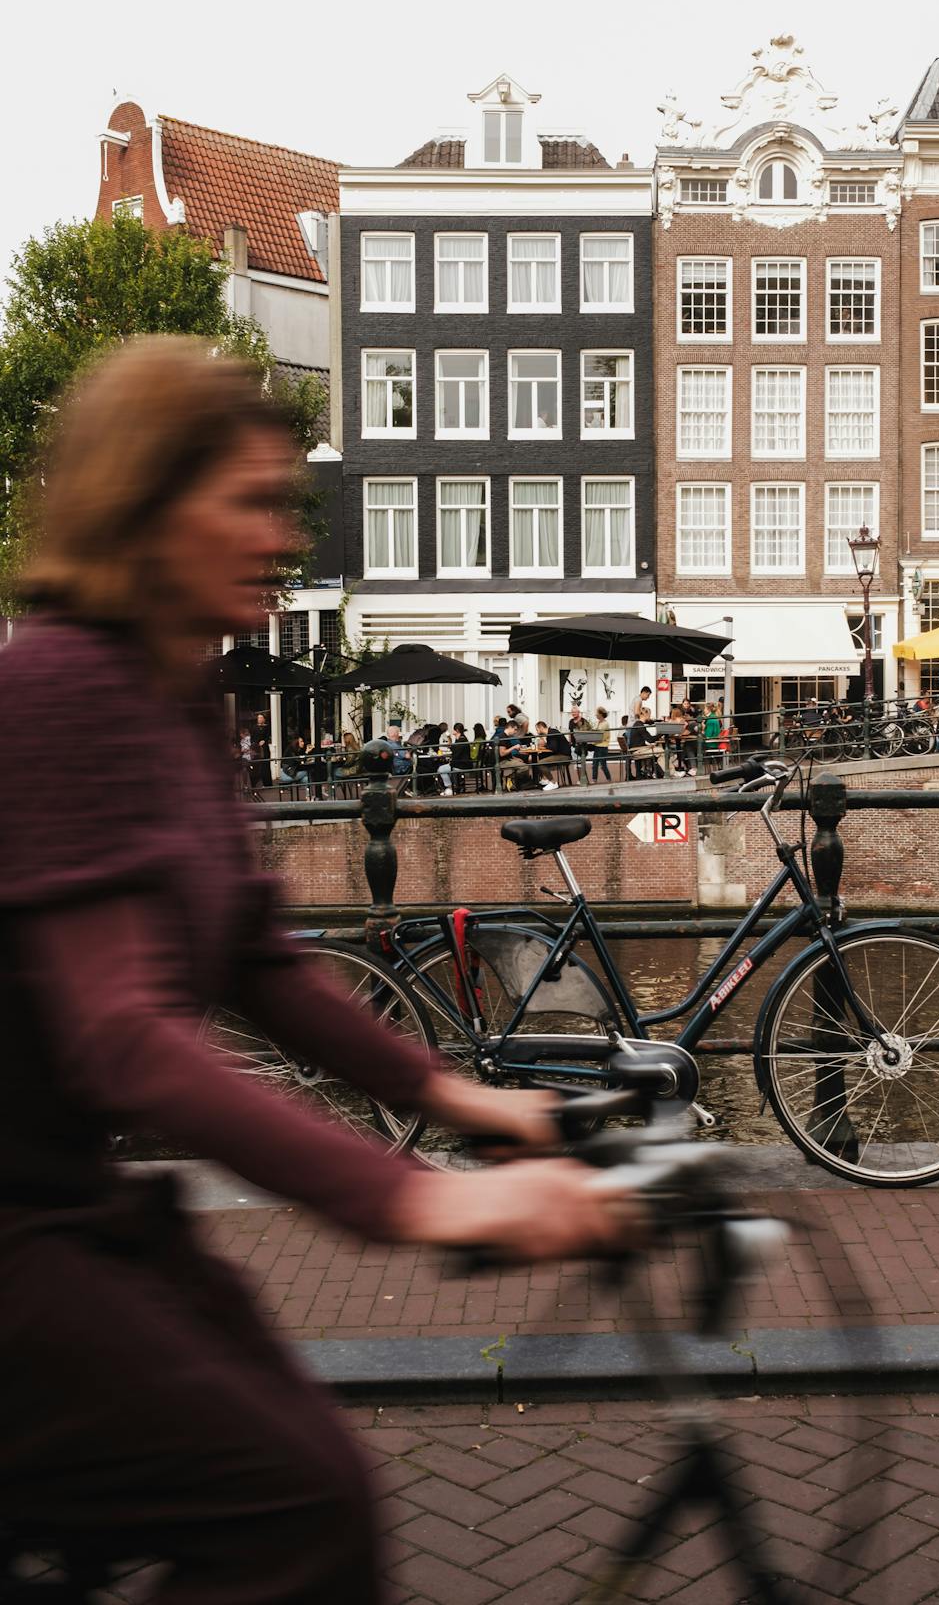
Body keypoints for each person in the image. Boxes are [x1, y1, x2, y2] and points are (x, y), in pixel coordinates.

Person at [0, 338, 633, 1605]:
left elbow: (258, 965)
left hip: (65, 1205)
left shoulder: (180, 702)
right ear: (146, 502)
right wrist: (416, 1204)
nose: (279, 534)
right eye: (247, 501)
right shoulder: (60, 690)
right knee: (298, 1506)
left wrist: (466, 1102)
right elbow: (123, 1033)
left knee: (290, 1434)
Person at [591, 705, 614, 783]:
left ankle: (609, 779)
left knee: (602, 765)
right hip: (597, 746)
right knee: (594, 764)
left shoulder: (605, 724)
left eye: (597, 713)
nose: (595, 714)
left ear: (601, 714)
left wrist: (594, 739)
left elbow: (603, 736)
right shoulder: (598, 723)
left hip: (603, 746)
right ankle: (594, 780)